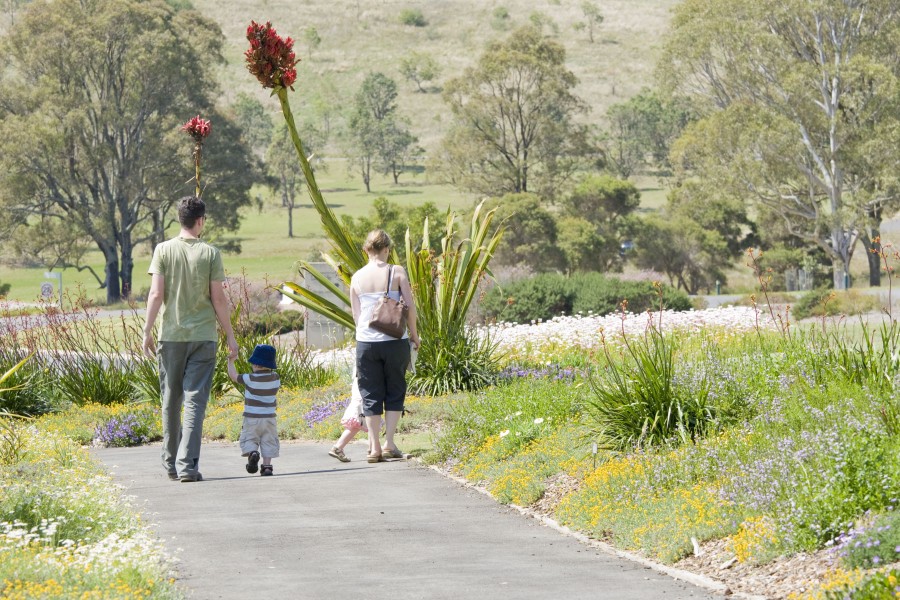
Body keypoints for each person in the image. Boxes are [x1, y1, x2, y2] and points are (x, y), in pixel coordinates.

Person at [143, 195, 238, 483]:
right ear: (200, 221)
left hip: (171, 335)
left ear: (180, 220)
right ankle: (188, 465)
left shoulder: (162, 250)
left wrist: (146, 331)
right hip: (203, 336)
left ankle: (171, 463)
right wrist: (230, 337)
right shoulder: (210, 253)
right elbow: (218, 299)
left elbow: (156, 294)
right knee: (195, 400)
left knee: (171, 399)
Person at [349, 230, 420, 463]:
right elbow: (409, 308)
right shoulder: (396, 271)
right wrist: (415, 336)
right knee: (395, 390)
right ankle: (389, 443)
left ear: (366, 249)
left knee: (370, 394)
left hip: (366, 342)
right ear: (387, 249)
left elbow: (357, 315)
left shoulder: (357, 277)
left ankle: (374, 448)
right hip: (395, 341)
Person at [228, 344, 281, 476]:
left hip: (252, 417)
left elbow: (234, 376)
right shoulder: (275, 378)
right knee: (268, 440)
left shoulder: (249, 378)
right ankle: (267, 467)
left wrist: (231, 361)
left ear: (255, 364)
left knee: (250, 439)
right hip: (269, 418)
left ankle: (253, 453)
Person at [328, 368, 369, 463]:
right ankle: (338, 447)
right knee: (364, 423)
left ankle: (373, 449)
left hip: (358, 398)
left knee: (359, 425)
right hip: (363, 400)